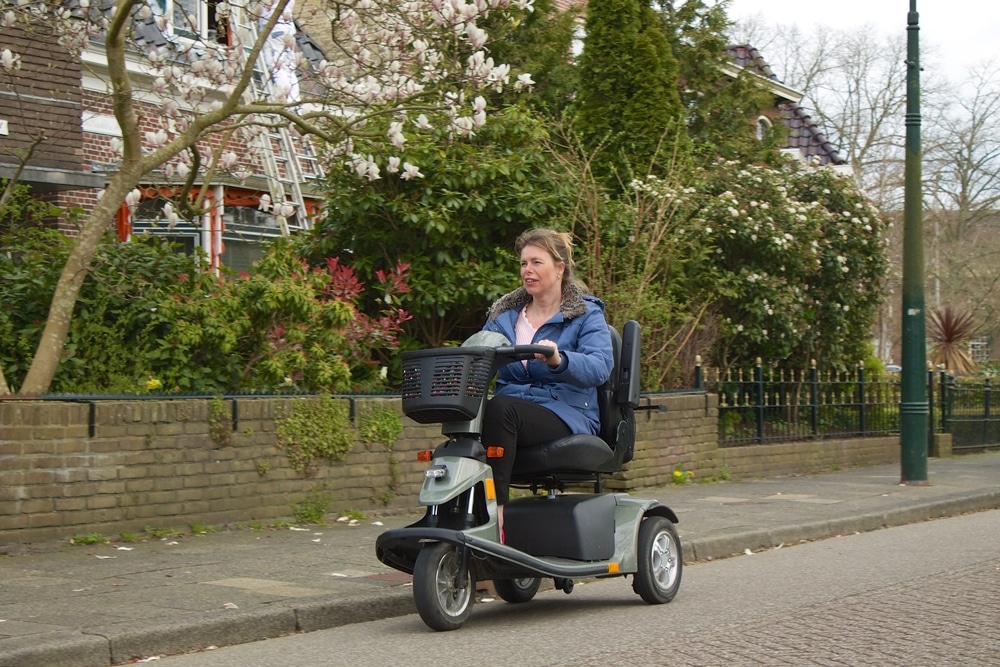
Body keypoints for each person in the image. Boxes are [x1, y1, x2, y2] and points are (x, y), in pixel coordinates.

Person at [480, 228, 614, 539]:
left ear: (560, 268)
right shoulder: (503, 317)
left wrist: (559, 360)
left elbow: (599, 368)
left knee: (501, 410)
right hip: (514, 412)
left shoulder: (585, 315)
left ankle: (497, 524)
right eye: (523, 263)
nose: (527, 270)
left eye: (537, 262)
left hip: (567, 412)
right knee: (468, 422)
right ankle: (452, 520)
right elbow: (476, 352)